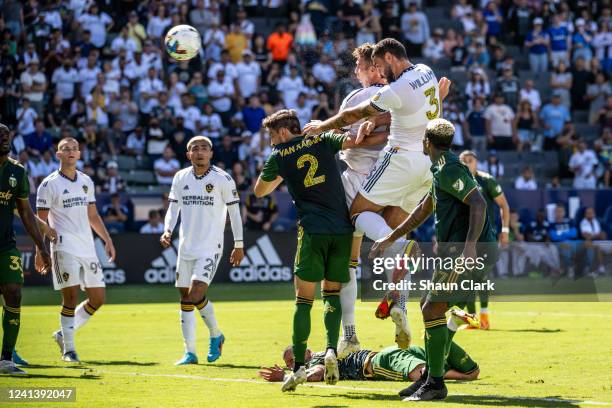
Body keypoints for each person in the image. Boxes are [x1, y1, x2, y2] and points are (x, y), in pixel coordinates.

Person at [304, 38, 451, 352]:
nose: (356, 72)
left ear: (376, 66)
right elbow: (406, 113)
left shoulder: (364, 95)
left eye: (359, 66)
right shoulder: (422, 73)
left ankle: (349, 336)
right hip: (420, 169)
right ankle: (400, 308)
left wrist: (328, 133)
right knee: (394, 245)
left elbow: (355, 132)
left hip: (369, 176)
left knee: (349, 259)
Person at [254, 109, 385, 392]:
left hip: (313, 230)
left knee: (303, 299)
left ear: (284, 132)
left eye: (272, 135)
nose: (272, 142)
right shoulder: (323, 139)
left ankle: (299, 366)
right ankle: (329, 350)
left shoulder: (279, 156)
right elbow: (356, 141)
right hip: (342, 229)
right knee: (332, 293)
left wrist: (283, 175)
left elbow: (260, 191)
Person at [370, 118, 497, 401]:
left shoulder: (451, 167)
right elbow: (421, 211)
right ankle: (431, 377)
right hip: (457, 251)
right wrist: (389, 238)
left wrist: (470, 247)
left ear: (427, 142)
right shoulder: (440, 168)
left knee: (431, 309)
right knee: (429, 306)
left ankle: (436, 383)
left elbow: (478, 202)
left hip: (465, 252)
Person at [160, 136, 244, 366]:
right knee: (185, 299)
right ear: (188, 155)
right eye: (194, 149)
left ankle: (216, 334)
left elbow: (235, 213)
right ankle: (190, 353)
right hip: (185, 247)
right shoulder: (180, 177)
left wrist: (239, 244)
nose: (199, 152)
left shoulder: (222, 179)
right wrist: (167, 230)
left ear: (211, 153)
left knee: (196, 294)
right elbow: (173, 208)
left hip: (210, 247)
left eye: (204, 148)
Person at [37, 137, 116, 364]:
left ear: (79, 154)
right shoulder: (49, 184)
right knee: (70, 298)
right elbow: (39, 220)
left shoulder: (86, 181)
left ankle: (62, 334)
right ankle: (69, 350)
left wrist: (107, 239)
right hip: (63, 247)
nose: (70, 152)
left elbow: (92, 215)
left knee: (98, 299)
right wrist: (39, 250)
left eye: (74, 149)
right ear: (58, 154)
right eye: (65, 149)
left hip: (87, 247)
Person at [0, 123, 52, 375]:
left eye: (6, 136)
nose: (4, 139)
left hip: (5, 245)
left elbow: (25, 213)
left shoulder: (17, 171)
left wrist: (42, 247)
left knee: (14, 293)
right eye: (0, 136)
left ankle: (6, 358)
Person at [260, 338, 479, 385]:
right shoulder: (326, 351)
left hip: (379, 364)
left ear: (306, 353)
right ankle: (447, 331)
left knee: (420, 376)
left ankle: (464, 376)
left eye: (291, 361)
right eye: (289, 364)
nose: (291, 365)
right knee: (472, 369)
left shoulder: (317, 358)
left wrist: (288, 378)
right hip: (397, 352)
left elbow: (319, 372)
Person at [459, 150, 510, 330]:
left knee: (479, 276)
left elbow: (503, 205)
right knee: (467, 278)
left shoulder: (486, 180)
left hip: (486, 238)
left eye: (470, 160)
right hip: (464, 239)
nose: (466, 164)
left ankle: (484, 317)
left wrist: (505, 230)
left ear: (477, 163)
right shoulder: (457, 183)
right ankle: (473, 320)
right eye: (463, 161)